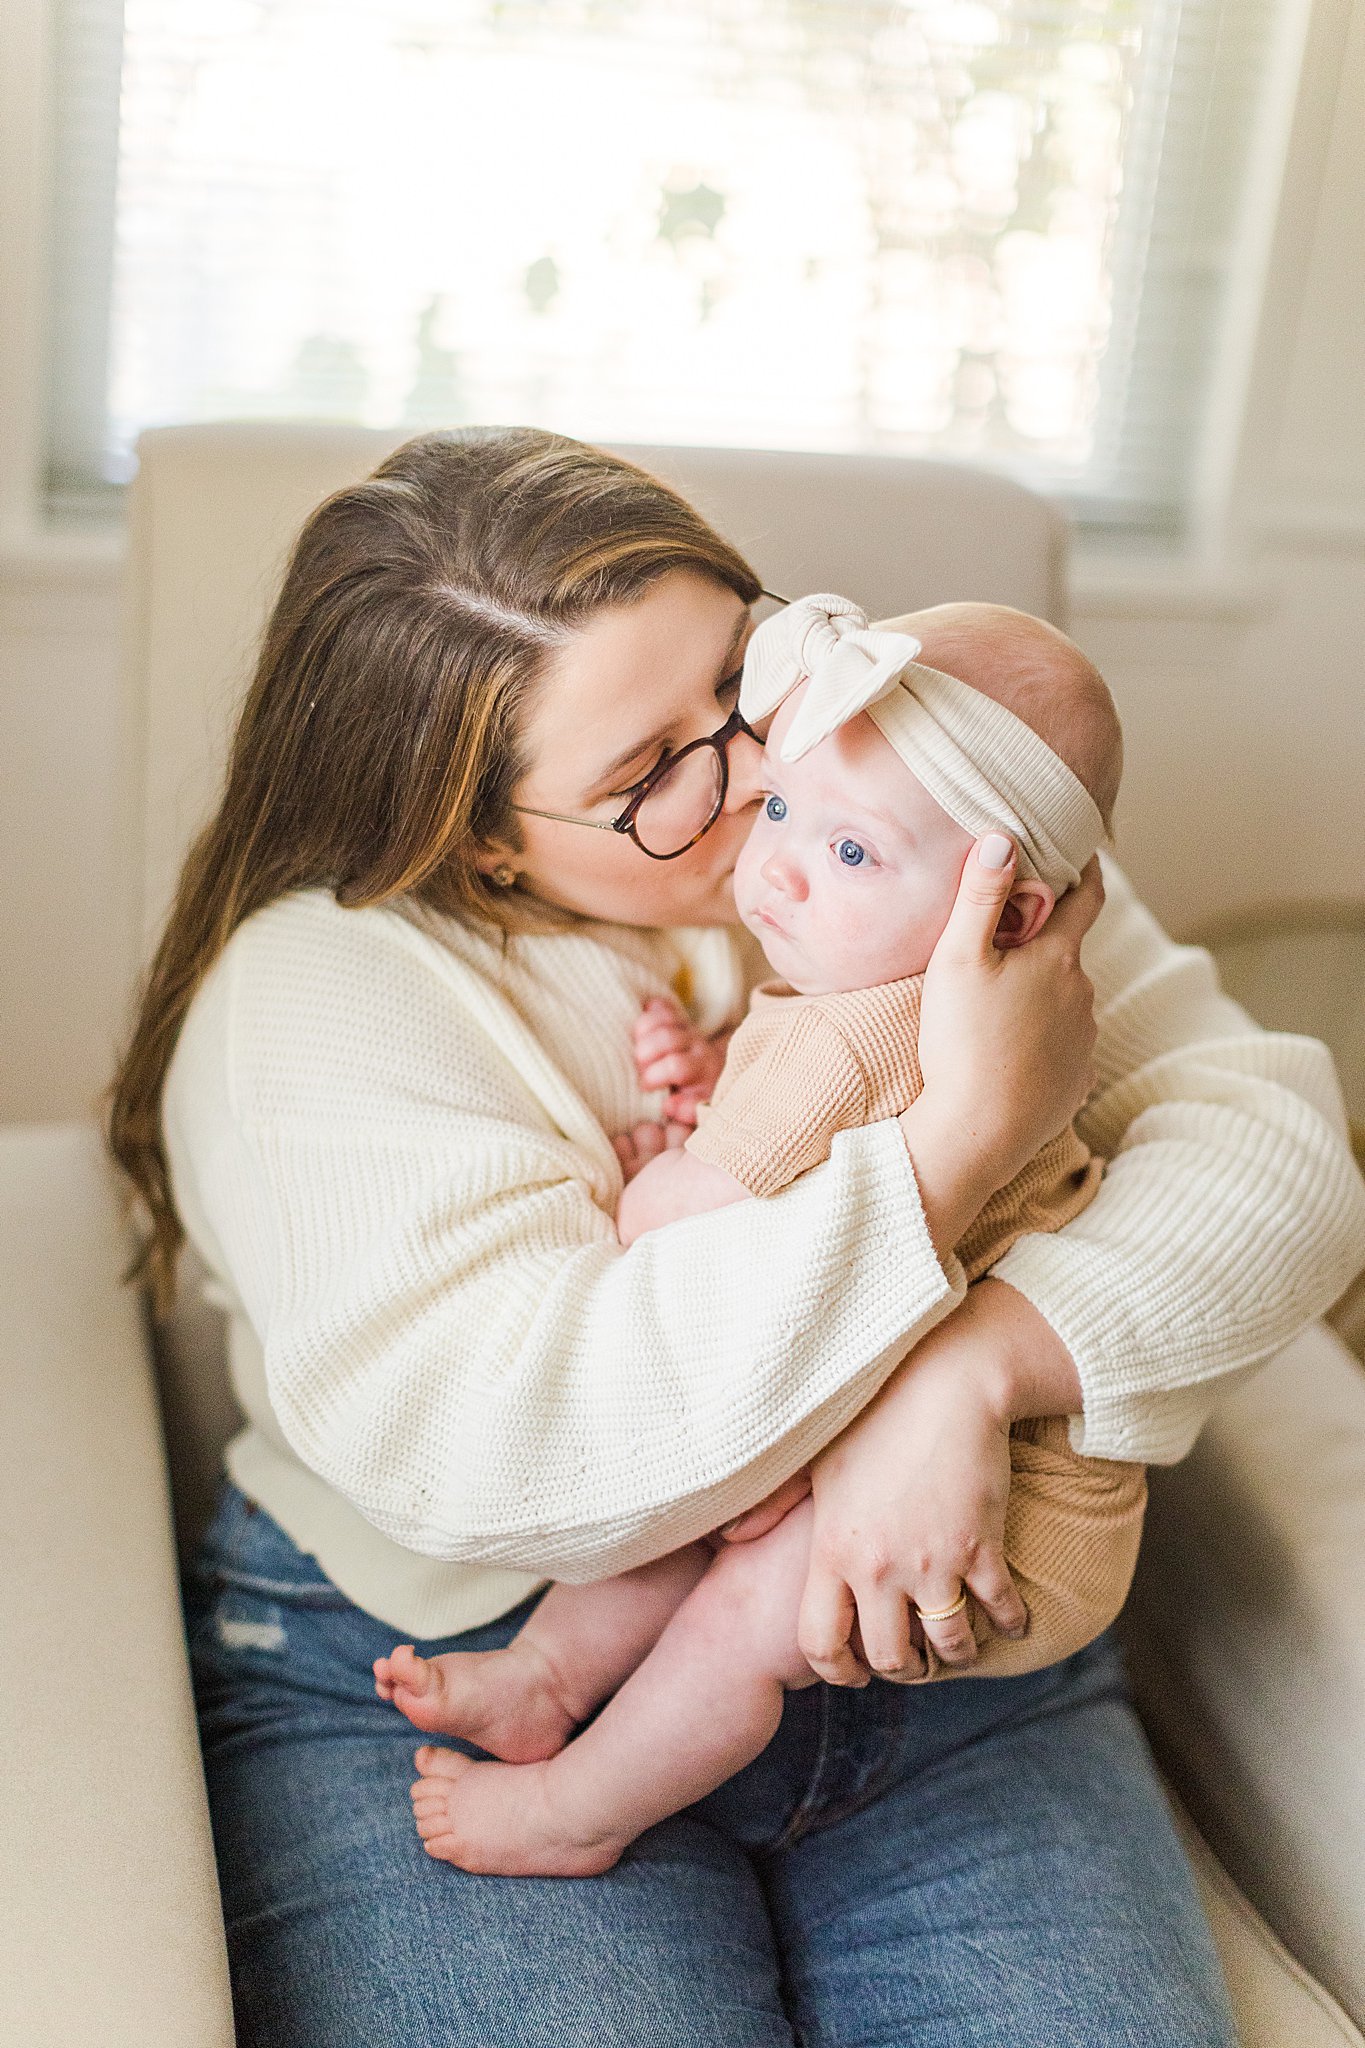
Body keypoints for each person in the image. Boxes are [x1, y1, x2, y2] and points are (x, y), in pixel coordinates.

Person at [107, 426, 1365, 2048]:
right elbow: (536, 1449)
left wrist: (975, 1369)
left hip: (929, 1634)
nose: (768, 772)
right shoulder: (320, 1002)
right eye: (653, 775)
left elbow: (1280, 1161)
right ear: (481, 835)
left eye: (744, 677)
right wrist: (964, 1139)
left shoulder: (898, 800)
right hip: (463, 1653)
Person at [375, 595, 1150, 1879]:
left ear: (1007, 910)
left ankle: (581, 1806)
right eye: (783, 807)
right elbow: (817, 1145)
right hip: (922, 1409)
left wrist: (661, 1174)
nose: (772, 860)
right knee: (691, 1499)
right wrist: (720, 1087)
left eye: (852, 854)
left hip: (1015, 1506)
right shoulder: (895, 992)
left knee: (737, 1608)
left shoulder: (854, 1031)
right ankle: (542, 1675)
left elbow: (681, 1224)